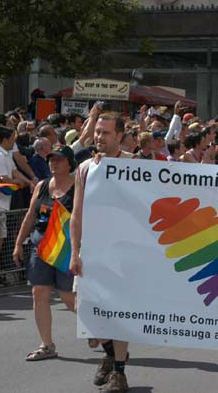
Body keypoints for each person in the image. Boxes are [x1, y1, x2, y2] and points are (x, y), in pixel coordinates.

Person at [69, 114, 131, 392]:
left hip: (122, 253)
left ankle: (119, 372)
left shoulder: (135, 165)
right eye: (97, 131)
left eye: (105, 132)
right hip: (91, 250)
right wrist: (74, 251)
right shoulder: (84, 168)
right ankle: (110, 353)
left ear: (119, 135)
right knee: (86, 312)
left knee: (117, 313)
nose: (99, 137)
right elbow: (76, 214)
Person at [12, 146, 77, 361]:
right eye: (51, 159)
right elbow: (30, 215)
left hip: (66, 249)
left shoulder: (79, 187)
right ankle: (47, 345)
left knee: (68, 297)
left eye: (58, 159)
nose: (53, 163)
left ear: (69, 163)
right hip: (40, 248)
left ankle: (96, 329)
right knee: (38, 292)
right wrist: (19, 243)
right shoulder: (41, 186)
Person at [0, 126, 33, 285]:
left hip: (3, 203)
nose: (14, 142)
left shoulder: (6, 154)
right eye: (12, 139)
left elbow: (14, 171)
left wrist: (30, 182)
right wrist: (18, 183)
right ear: (5, 139)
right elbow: (2, 180)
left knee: (1, 236)